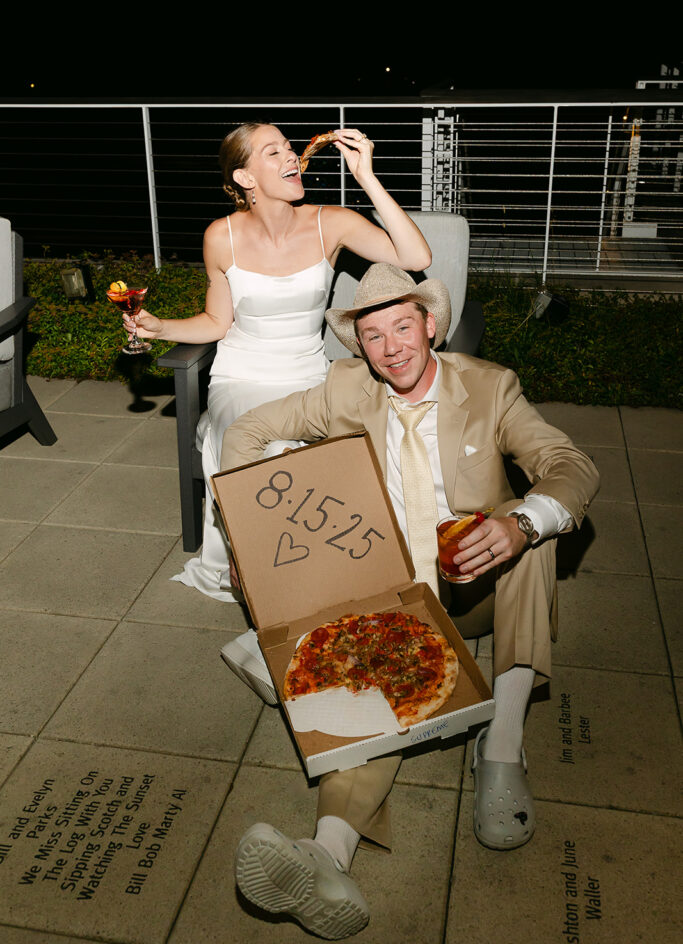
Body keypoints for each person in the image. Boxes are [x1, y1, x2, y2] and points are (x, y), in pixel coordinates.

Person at [220, 264, 600, 940]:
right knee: (366, 691)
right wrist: (250, 535)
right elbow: (249, 430)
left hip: (471, 581)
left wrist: (516, 525)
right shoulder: (342, 391)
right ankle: (325, 855)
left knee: (532, 533)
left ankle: (502, 744)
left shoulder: (489, 387)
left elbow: (569, 466)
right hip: (383, 591)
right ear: (358, 347)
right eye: (372, 335)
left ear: (431, 325)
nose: (391, 346)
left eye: (403, 325)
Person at [122, 123, 431, 608]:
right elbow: (216, 320)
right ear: (245, 178)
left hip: (306, 376)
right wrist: (161, 327)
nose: (292, 155)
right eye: (274, 151)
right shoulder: (220, 236)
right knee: (244, 434)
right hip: (240, 375)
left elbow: (415, 257)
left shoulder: (332, 221)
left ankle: (301, 568)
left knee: (293, 448)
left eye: (289, 146)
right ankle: (258, 569)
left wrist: (367, 176)